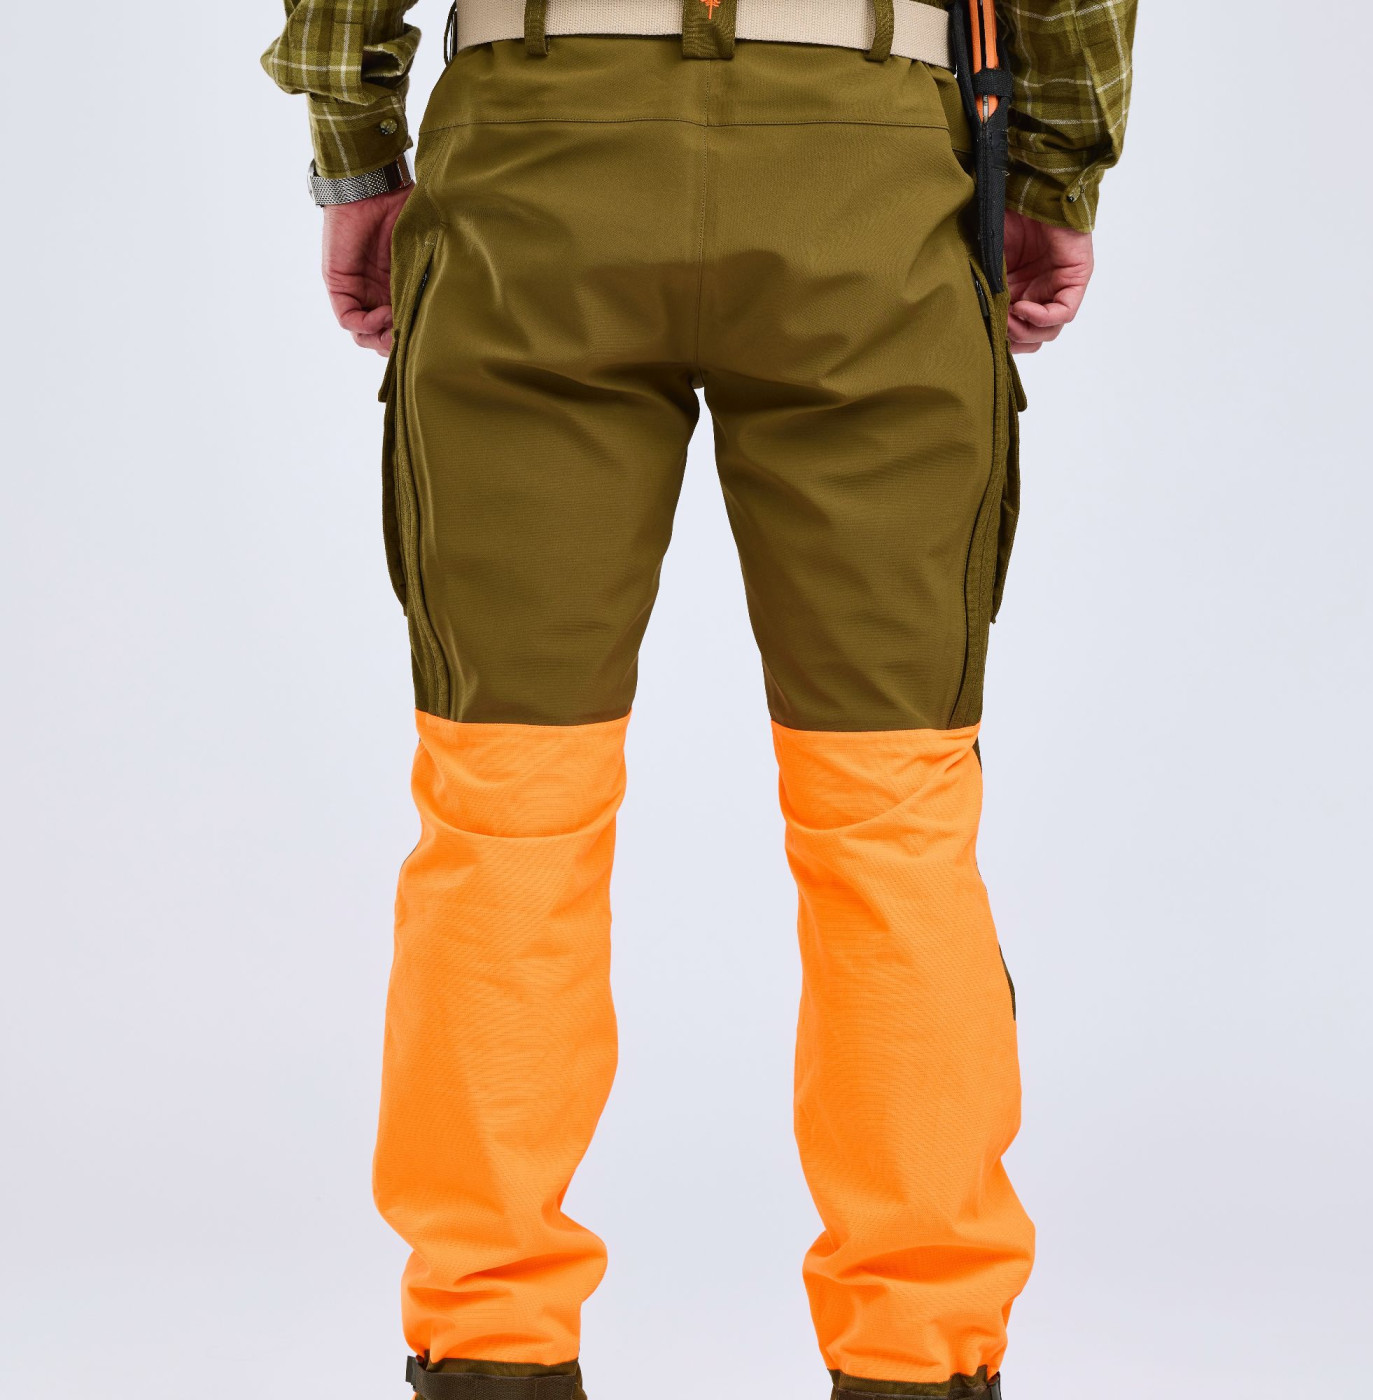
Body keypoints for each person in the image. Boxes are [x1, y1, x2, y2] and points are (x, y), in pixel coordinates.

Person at [262, 3, 1136, 1397]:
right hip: (864, 175)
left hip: (537, 159)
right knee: (891, 813)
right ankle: (919, 1362)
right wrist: (1050, 173)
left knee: (506, 804)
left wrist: (356, 152)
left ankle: (488, 1353)